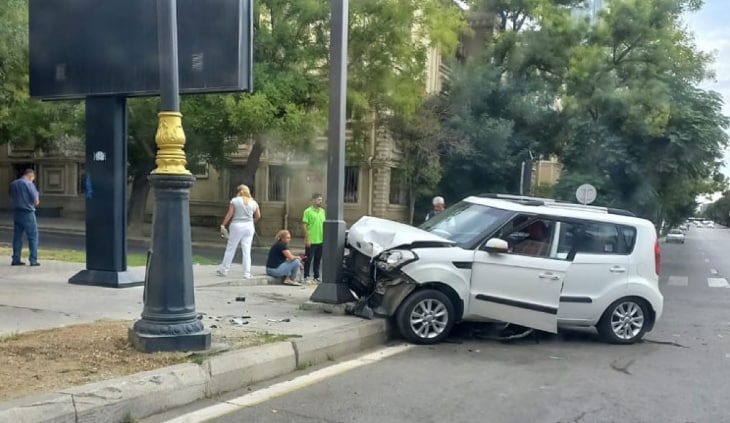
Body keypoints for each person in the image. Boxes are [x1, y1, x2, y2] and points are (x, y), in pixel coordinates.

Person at [217, 184, 260, 278]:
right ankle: (247, 273)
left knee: (231, 248)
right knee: (246, 250)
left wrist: (223, 224)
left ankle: (224, 270)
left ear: (239, 191)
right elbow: (258, 216)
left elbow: (230, 213)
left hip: (236, 225)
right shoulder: (253, 202)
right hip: (249, 226)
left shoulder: (235, 201)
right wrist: (251, 221)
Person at [9, 169, 40, 266]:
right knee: (33, 237)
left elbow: (11, 195)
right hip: (28, 212)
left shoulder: (13, 184)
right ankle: (33, 260)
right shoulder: (29, 184)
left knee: (17, 236)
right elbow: (36, 201)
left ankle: (16, 258)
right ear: (31, 176)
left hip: (17, 212)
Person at [302, 193, 325, 282]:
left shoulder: (322, 211)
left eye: (321, 200)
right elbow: (304, 226)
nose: (320, 201)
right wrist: (307, 239)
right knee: (308, 259)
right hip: (311, 240)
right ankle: (306, 276)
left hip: (320, 240)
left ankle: (316, 276)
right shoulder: (307, 211)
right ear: (313, 200)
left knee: (318, 259)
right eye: (319, 200)